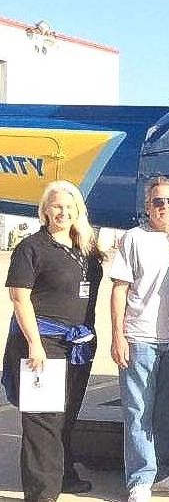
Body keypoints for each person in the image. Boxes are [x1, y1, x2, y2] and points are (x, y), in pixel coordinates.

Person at [2, 181, 103, 502]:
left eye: (69, 206)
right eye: (57, 206)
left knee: (66, 416)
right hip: (43, 343)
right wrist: (34, 344)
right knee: (43, 420)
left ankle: (63, 476)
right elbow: (20, 299)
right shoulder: (31, 247)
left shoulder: (86, 249)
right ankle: (42, 493)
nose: (63, 212)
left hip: (78, 345)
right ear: (45, 210)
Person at [108, 176, 169, 502]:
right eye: (158, 202)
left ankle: (161, 473)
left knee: (166, 413)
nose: (165, 207)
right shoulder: (133, 238)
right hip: (139, 339)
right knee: (138, 412)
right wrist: (117, 336)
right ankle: (140, 479)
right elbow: (119, 290)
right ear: (147, 206)